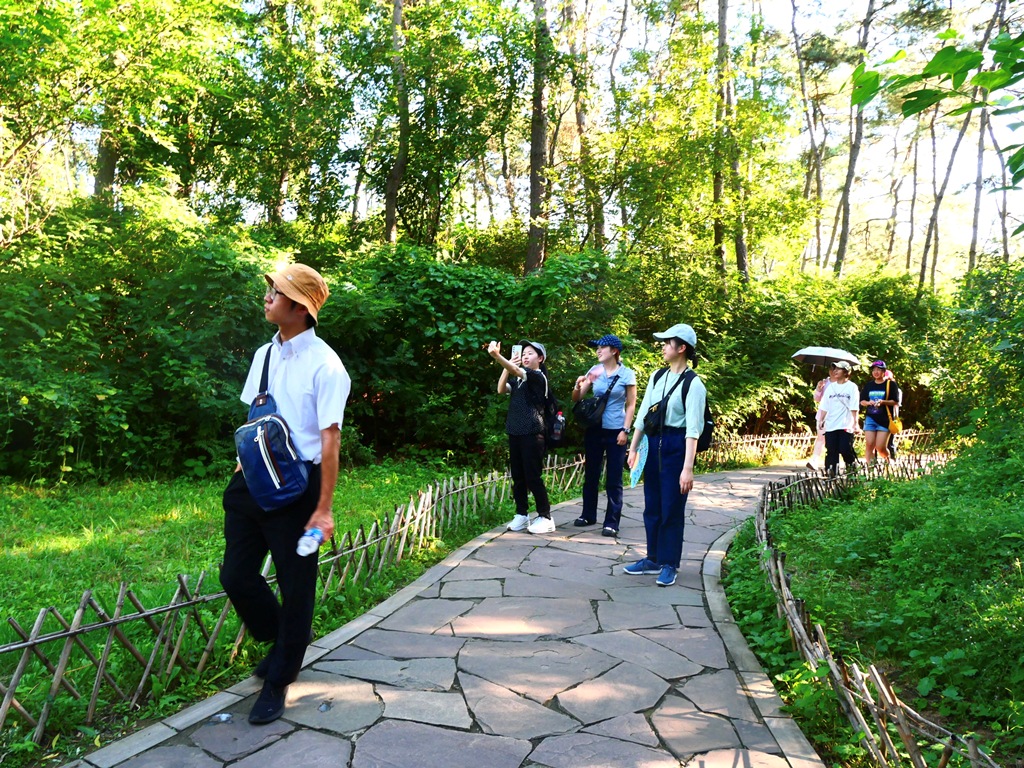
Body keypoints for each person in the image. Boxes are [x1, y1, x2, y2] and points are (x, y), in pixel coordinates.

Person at [219, 264, 351, 725]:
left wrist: (323, 509)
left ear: (300, 308)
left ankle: (280, 678)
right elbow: (256, 414)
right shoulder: (264, 355)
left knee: (296, 586)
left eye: (276, 293)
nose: (267, 297)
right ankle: (287, 640)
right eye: (271, 291)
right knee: (235, 576)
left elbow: (330, 440)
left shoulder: (327, 365)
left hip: (299, 487)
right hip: (253, 480)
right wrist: (243, 460)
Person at [624, 323, 707, 588]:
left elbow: (693, 429)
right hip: (653, 443)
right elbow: (643, 414)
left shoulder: (694, 384)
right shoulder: (657, 376)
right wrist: (633, 448)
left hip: (676, 446)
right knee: (652, 506)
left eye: (667, 342)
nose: (662, 346)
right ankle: (653, 558)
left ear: (681, 348)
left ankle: (669, 563)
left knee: (671, 508)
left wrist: (688, 468)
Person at [570, 334, 637, 537]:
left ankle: (611, 522)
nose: (598, 351)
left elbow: (631, 404)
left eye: (602, 347)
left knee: (614, 477)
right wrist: (577, 385)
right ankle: (588, 515)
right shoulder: (595, 371)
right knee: (591, 473)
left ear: (614, 351)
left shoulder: (627, 374)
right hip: (595, 428)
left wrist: (625, 430)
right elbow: (577, 398)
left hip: (616, 430)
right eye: (597, 347)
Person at [487, 339, 555, 534]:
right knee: (518, 476)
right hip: (515, 432)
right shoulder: (518, 380)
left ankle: (545, 517)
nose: (525, 356)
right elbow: (501, 389)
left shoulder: (538, 377)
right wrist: (506, 365)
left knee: (532, 476)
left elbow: (518, 371)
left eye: (530, 353)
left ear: (540, 358)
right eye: (523, 353)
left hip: (533, 433)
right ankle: (522, 515)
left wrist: (497, 357)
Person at [817, 360, 860, 474]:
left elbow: (854, 406)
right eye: (834, 369)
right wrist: (821, 420)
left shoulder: (852, 387)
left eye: (838, 369)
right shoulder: (830, 387)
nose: (835, 371)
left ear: (846, 372)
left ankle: (852, 471)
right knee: (831, 450)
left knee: (845, 449)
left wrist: (855, 423)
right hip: (831, 424)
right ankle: (831, 475)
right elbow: (824, 405)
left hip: (846, 424)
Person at [860, 360, 901, 465]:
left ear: (884, 371)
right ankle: (870, 467)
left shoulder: (891, 384)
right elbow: (862, 401)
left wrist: (883, 402)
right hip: (870, 418)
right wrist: (868, 403)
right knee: (869, 444)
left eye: (878, 369)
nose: (876, 372)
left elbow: (895, 401)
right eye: (874, 370)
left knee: (880, 447)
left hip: (884, 419)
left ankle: (888, 461)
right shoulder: (869, 385)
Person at [807, 365, 840, 471]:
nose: (833, 372)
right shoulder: (824, 382)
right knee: (821, 438)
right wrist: (819, 388)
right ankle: (814, 460)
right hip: (823, 415)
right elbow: (816, 399)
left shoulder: (842, 384)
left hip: (837, 415)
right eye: (831, 369)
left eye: (836, 369)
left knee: (834, 441)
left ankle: (833, 464)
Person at [883, 367, 903, 458]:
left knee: (890, 441)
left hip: (891, 417)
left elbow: (896, 404)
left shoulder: (897, 390)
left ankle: (893, 458)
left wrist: (895, 418)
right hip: (880, 416)